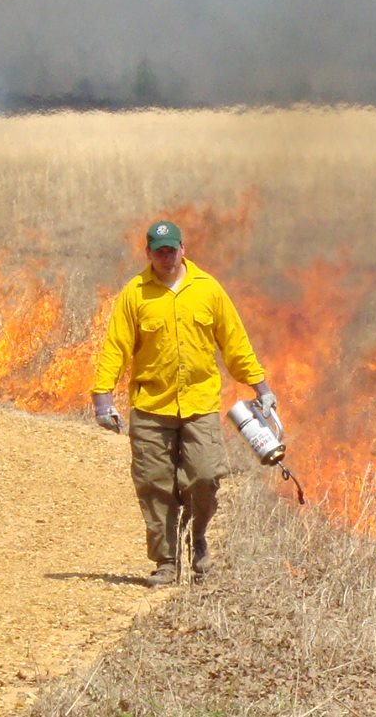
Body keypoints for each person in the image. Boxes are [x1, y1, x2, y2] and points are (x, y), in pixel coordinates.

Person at [91, 218, 279, 587]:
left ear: (183, 249)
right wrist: (102, 399)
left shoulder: (208, 289)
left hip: (200, 403)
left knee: (205, 476)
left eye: (171, 250)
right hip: (150, 406)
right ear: (148, 254)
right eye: (159, 252)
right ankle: (165, 560)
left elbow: (235, 343)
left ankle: (198, 540)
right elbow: (115, 348)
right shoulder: (134, 294)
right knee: (155, 483)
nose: (166, 258)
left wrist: (262, 387)